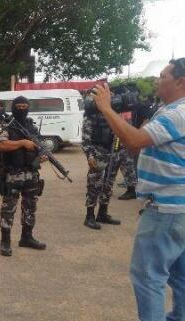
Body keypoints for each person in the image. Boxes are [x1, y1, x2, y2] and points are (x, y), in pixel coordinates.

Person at [92, 57, 185, 321]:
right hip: (178, 208)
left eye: (164, 76)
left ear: (181, 82)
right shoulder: (168, 111)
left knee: (148, 277)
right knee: (180, 277)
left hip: (165, 208)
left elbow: (132, 139)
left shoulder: (178, 114)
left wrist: (106, 108)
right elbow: (136, 144)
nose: (158, 80)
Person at [0, 96, 47, 257]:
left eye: (25, 106)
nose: (22, 109)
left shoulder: (31, 125)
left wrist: (42, 154)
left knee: (30, 206)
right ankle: (5, 241)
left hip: (31, 173)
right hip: (12, 173)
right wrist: (23, 143)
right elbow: (1, 144)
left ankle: (27, 237)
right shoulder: (5, 124)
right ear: (14, 107)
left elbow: (40, 144)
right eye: (19, 106)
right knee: (8, 209)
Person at [81, 90, 122, 230]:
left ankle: (102, 213)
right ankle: (89, 216)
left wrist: (118, 150)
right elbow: (85, 139)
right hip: (98, 153)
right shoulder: (90, 117)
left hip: (113, 153)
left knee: (108, 184)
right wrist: (90, 155)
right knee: (94, 185)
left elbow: (118, 133)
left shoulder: (112, 114)